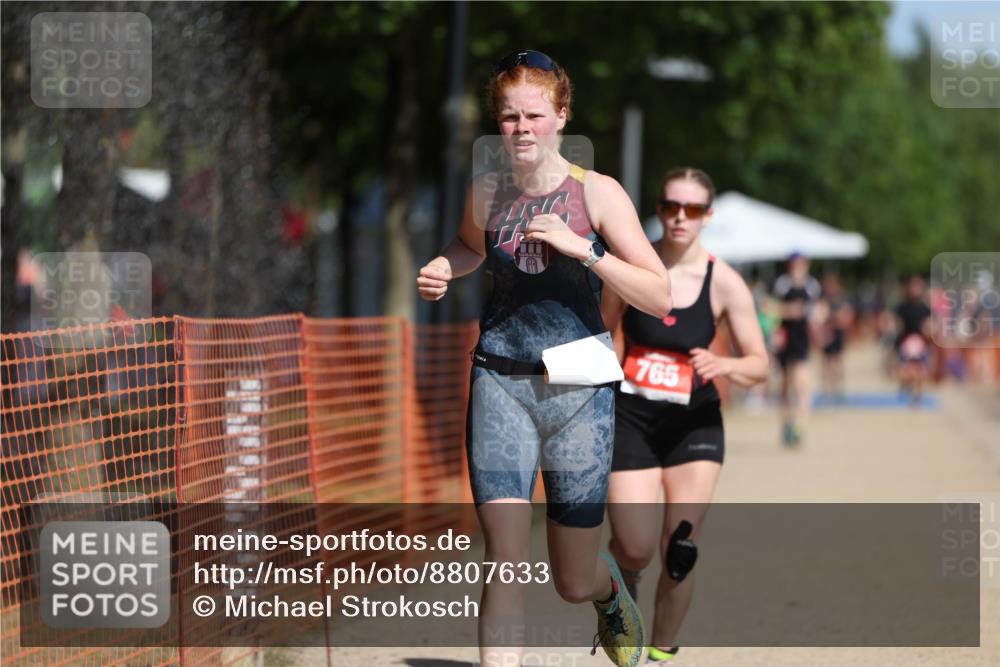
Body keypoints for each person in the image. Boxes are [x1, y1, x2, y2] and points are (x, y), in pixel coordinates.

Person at [417, 50, 671, 667]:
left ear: (561, 115)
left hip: (579, 394)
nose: (521, 128)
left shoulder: (598, 194)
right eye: (509, 117)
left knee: (570, 579)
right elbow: (468, 244)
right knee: (503, 554)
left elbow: (658, 293)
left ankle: (607, 593)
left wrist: (582, 250)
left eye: (534, 114)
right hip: (501, 381)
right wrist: (446, 266)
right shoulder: (487, 192)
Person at [601, 168, 769, 664]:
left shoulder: (726, 282)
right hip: (631, 417)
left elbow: (760, 365)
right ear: (659, 209)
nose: (680, 217)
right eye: (671, 206)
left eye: (692, 210)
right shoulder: (632, 264)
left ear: (707, 216)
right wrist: (608, 377)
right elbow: (606, 329)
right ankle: (619, 605)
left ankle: (660, 653)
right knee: (633, 547)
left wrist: (726, 364)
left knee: (681, 547)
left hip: (693, 424)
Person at [772, 252, 821, 446]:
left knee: (803, 384)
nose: (797, 266)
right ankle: (786, 423)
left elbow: (818, 310)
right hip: (784, 340)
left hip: (802, 340)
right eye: (794, 263)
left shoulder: (812, 285)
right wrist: (792, 310)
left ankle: (800, 426)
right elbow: (771, 307)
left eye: (801, 263)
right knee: (785, 385)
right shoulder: (782, 284)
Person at [894, 274, 932, 403]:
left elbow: (929, 325)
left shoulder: (925, 309)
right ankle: (907, 385)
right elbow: (897, 325)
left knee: (920, 371)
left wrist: (929, 330)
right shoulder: (902, 307)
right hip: (905, 341)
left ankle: (917, 396)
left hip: (920, 342)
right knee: (906, 372)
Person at [818, 273, 853, 401]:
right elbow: (820, 316)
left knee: (838, 362)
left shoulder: (841, 300)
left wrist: (835, 317)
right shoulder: (824, 300)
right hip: (827, 334)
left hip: (837, 334)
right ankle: (827, 390)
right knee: (826, 363)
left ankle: (838, 390)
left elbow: (845, 318)